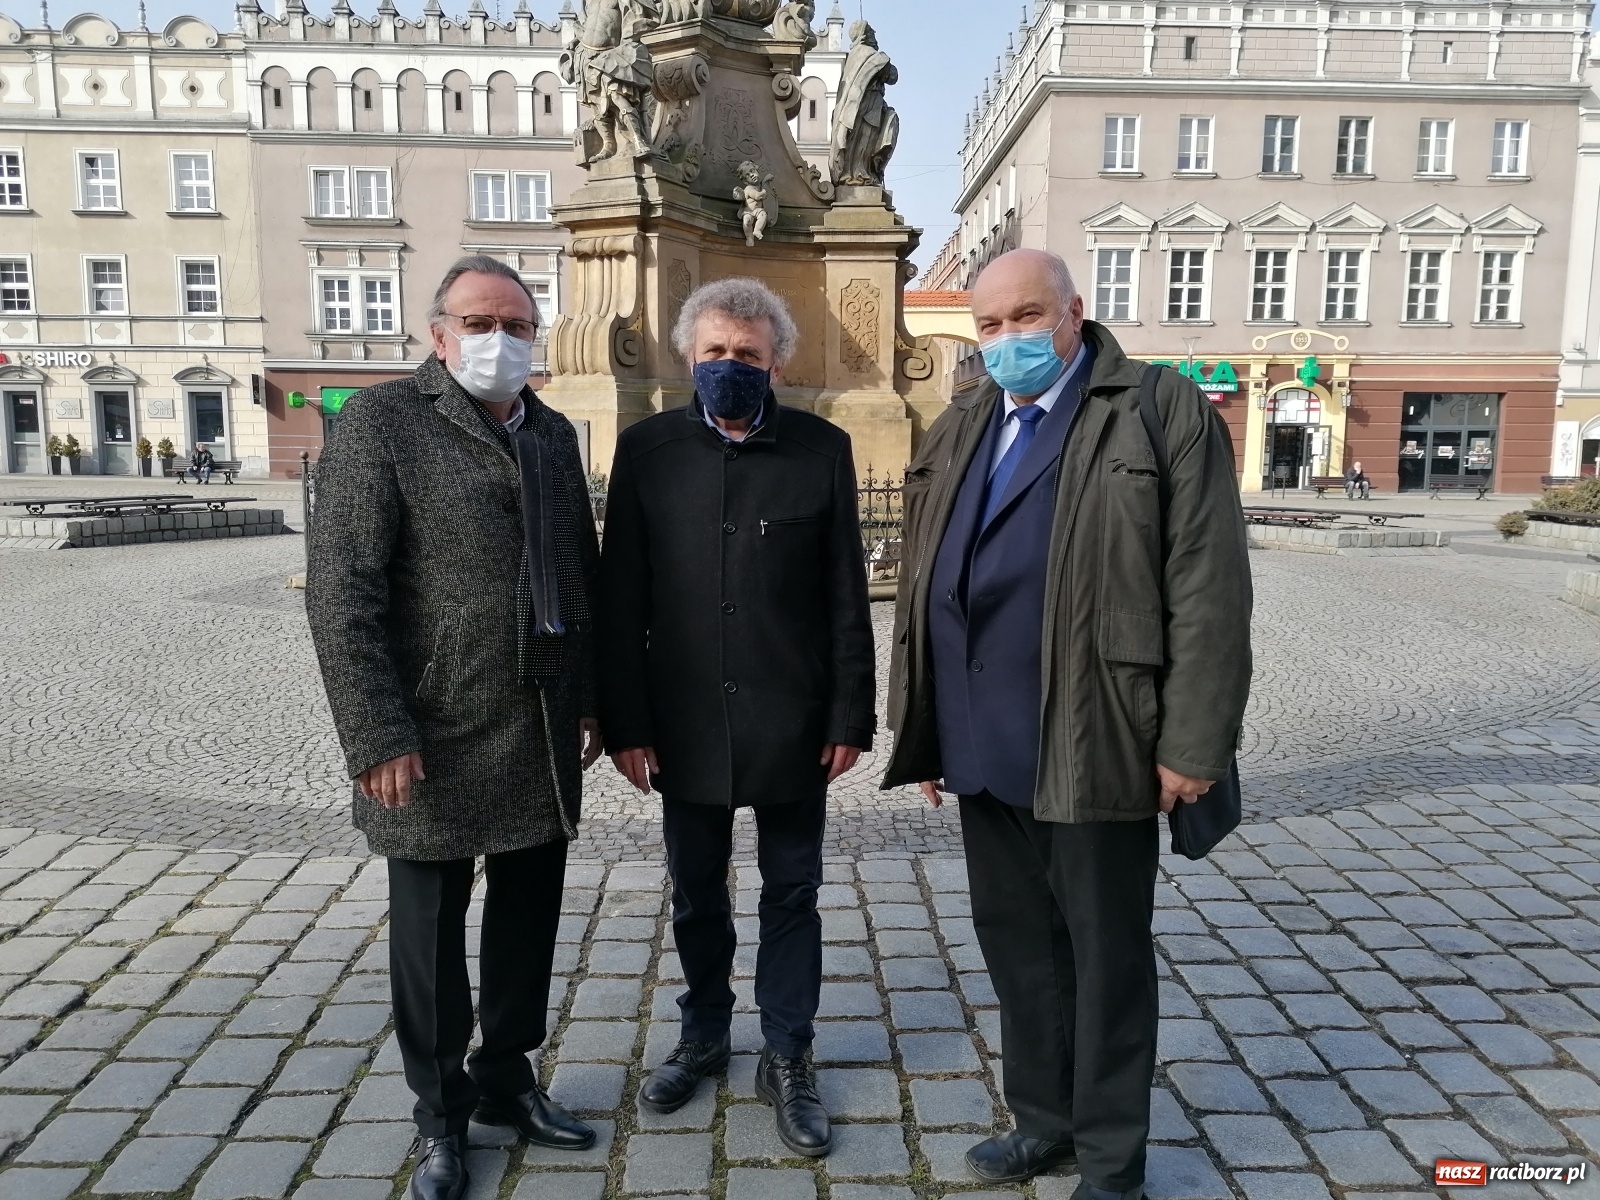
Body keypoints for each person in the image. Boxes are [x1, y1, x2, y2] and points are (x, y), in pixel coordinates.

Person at [882, 249, 1253, 1200]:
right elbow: (927, 576)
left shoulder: (1156, 407)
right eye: (990, 325)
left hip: (1100, 734)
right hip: (981, 738)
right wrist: (923, 723)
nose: (1009, 340)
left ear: (1074, 312)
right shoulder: (969, 418)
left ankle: (1112, 1164)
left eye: (1026, 317)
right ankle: (1042, 1124)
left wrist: (1193, 743)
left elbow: (1208, 584)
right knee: (1018, 949)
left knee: (1106, 959)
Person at [305, 255, 601, 1200]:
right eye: (480, 322)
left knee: (527, 923)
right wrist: (376, 732)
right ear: (438, 335)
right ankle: (439, 1116)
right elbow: (342, 592)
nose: (500, 341)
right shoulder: (385, 424)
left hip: (538, 723)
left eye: (517, 324)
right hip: (427, 733)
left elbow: (576, 573)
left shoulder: (552, 433)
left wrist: (589, 694)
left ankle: (506, 1083)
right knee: (430, 939)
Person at [599, 278, 875, 1158]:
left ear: (777, 362)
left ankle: (789, 1051)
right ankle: (706, 1033)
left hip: (793, 719)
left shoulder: (822, 449)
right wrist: (627, 722)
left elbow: (844, 595)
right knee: (696, 892)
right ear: (690, 356)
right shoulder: (644, 451)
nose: (730, 366)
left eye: (747, 355)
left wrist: (850, 714)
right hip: (683, 719)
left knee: (793, 892)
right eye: (714, 352)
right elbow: (621, 598)